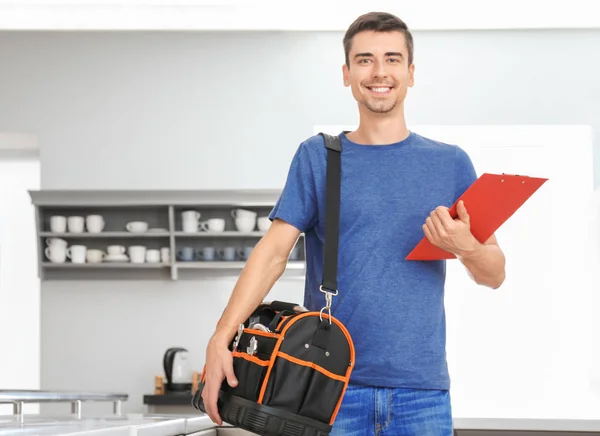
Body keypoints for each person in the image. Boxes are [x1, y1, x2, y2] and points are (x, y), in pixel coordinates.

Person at [201, 11, 506, 436]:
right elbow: (272, 253)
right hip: (327, 389)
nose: (379, 72)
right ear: (346, 74)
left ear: (411, 73)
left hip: (422, 393)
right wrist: (222, 337)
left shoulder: (451, 164)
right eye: (364, 60)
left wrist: (465, 247)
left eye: (392, 59)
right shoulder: (318, 157)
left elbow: (494, 274)